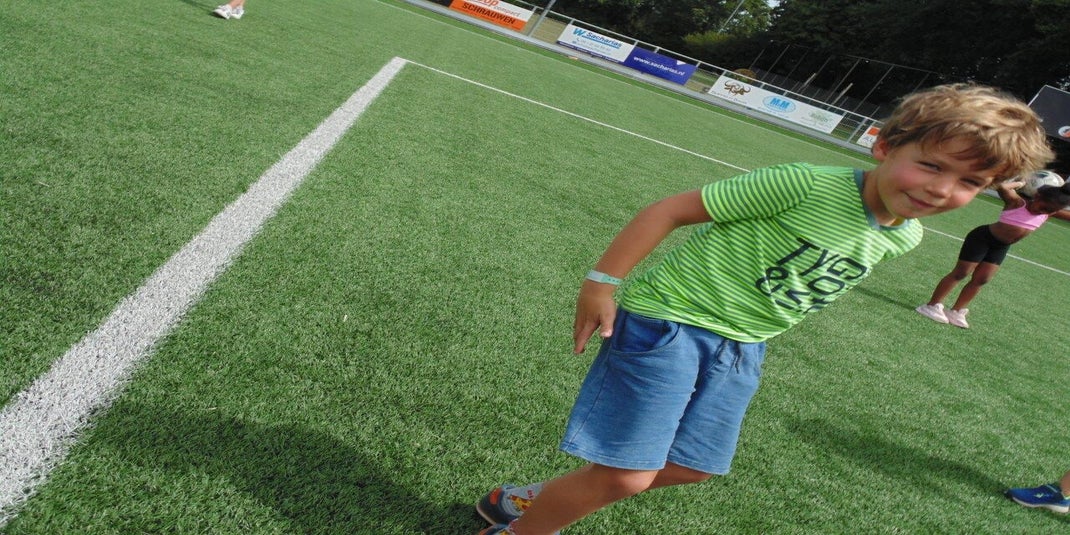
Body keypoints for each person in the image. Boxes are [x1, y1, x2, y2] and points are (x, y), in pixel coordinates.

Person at [474, 83, 1054, 535]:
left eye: (969, 182)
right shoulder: (806, 184)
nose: (942, 189)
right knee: (627, 475)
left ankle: (528, 500)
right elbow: (669, 210)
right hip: (670, 321)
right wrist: (600, 284)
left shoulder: (905, 236)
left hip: (742, 347)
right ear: (883, 145)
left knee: (694, 465)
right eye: (930, 165)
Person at [914, 174, 1070, 328]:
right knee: (961, 273)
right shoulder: (1017, 202)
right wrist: (1021, 184)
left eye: (1050, 211)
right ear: (1037, 196)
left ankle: (956, 311)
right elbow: (1003, 187)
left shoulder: (1047, 212)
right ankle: (932, 305)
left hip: (1000, 246)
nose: (1044, 212)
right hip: (982, 239)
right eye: (1043, 207)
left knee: (982, 279)